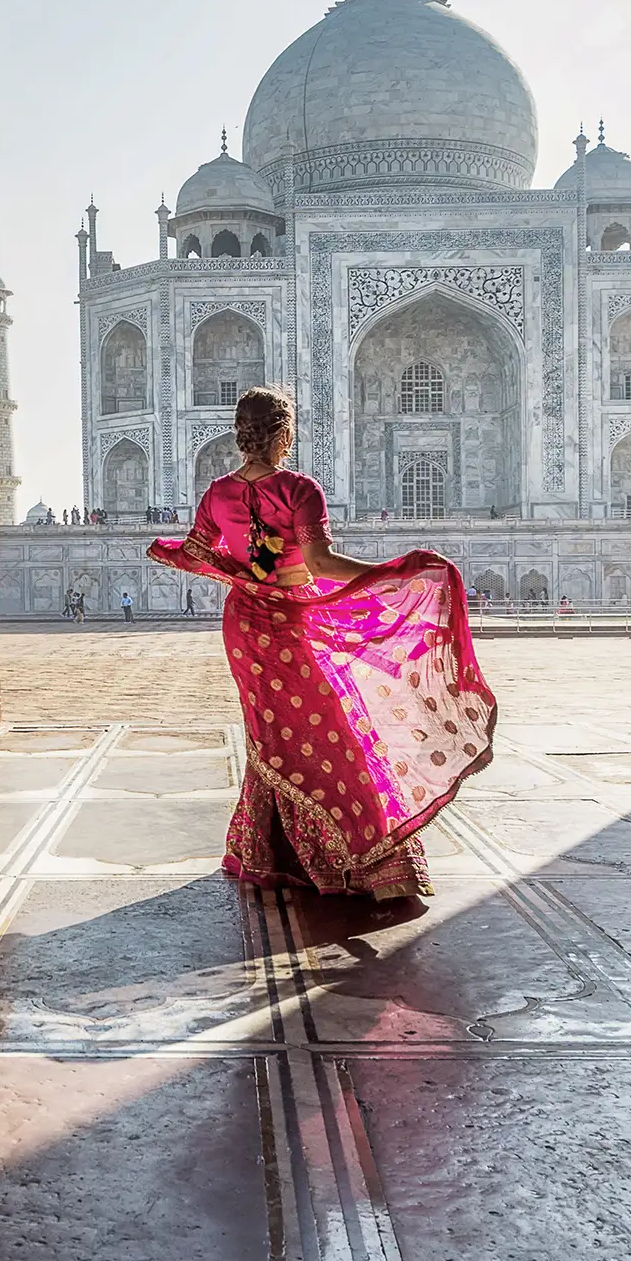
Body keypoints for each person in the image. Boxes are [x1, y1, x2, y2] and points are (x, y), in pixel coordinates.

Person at [148, 386, 496, 900]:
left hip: (245, 622)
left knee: (276, 734)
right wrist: (390, 572)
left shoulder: (217, 493)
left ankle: (274, 851)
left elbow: (198, 552)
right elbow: (321, 565)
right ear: (284, 435)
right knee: (332, 726)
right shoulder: (298, 488)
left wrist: (245, 576)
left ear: (241, 433)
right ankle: (366, 860)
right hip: (289, 617)